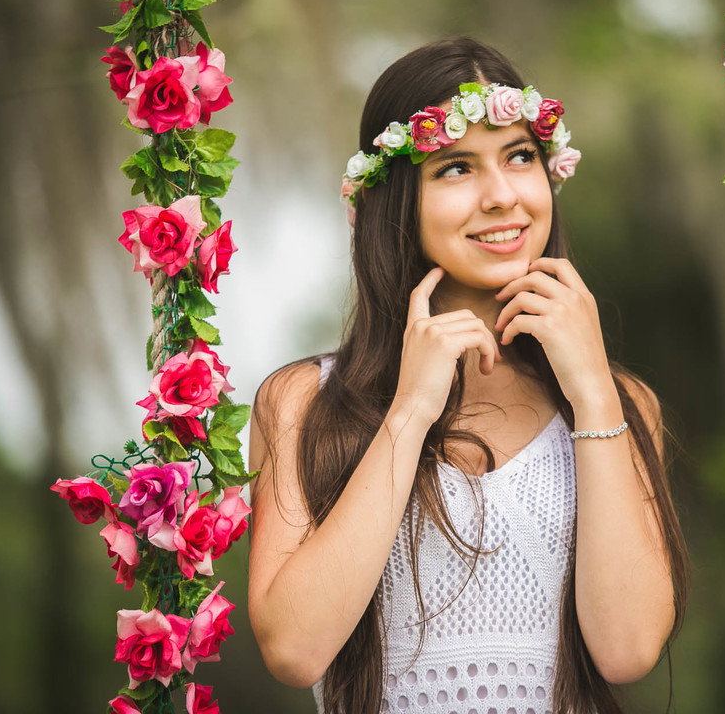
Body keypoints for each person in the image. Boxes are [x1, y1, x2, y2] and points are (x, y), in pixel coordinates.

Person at [247, 36, 690, 714]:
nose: (501, 196)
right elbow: (295, 650)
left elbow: (626, 649)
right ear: (397, 199)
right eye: (456, 169)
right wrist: (410, 410)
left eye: (519, 157)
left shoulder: (622, 405)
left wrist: (595, 393)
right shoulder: (306, 401)